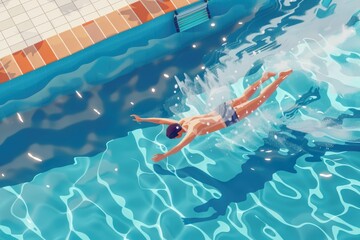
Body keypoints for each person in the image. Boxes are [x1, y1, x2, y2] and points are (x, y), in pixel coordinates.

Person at [131, 69, 293, 162]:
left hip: (228, 117)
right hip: (219, 110)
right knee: (244, 97)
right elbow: (161, 120)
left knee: (259, 100)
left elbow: (181, 146)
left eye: (178, 136)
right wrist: (142, 119)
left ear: (179, 133)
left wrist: (164, 155)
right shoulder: (183, 121)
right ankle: (263, 78)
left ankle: (281, 78)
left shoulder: (193, 129)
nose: (180, 137)